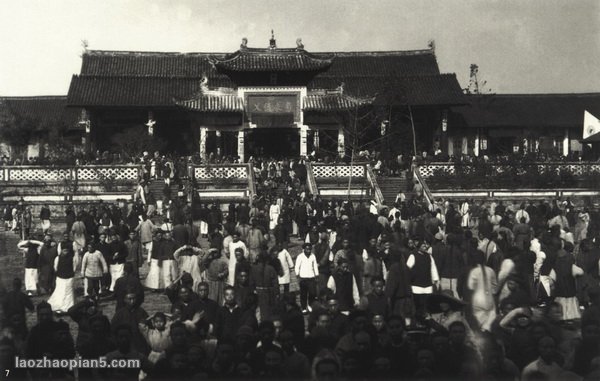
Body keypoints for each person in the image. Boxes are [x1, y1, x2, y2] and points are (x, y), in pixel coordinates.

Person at [47, 244, 78, 313]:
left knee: (69, 293)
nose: (65, 251)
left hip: (69, 278)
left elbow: (74, 268)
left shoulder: (72, 258)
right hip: (60, 278)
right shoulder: (57, 258)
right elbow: (55, 268)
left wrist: (70, 274)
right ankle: (59, 307)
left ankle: (68, 308)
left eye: (66, 250)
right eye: (64, 250)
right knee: (60, 292)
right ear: (61, 251)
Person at [295, 242, 319, 314]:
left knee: (312, 293)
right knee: (303, 294)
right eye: (307, 249)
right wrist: (297, 274)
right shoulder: (300, 256)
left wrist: (316, 275)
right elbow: (297, 266)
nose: (308, 250)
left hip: (311, 277)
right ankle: (303, 308)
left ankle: (310, 306)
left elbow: (315, 266)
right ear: (304, 249)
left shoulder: (313, 256)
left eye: (310, 249)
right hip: (303, 278)